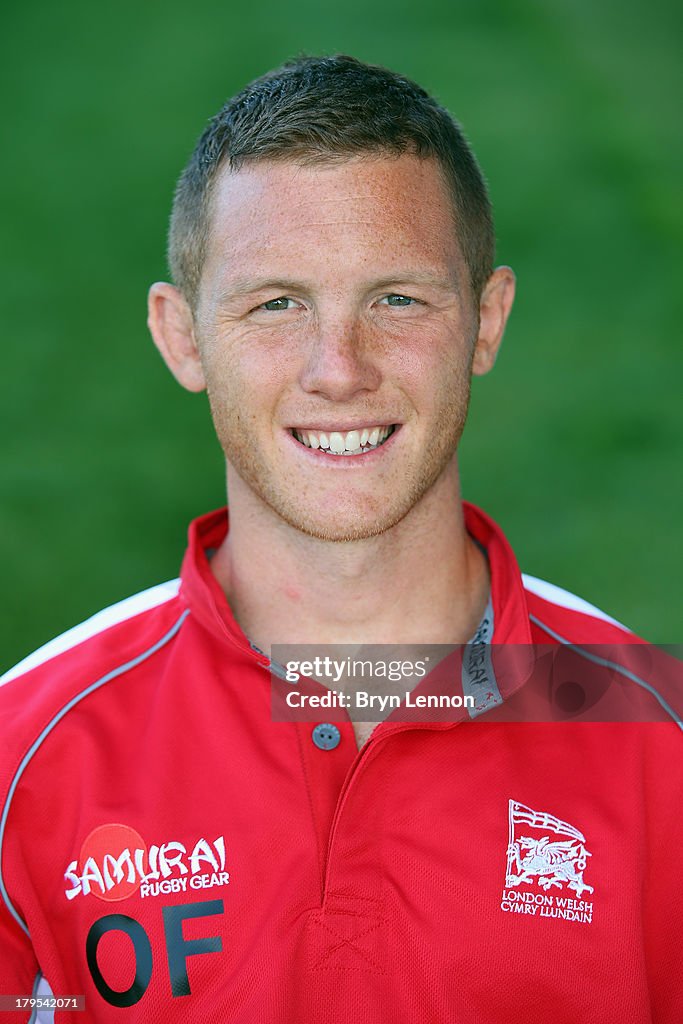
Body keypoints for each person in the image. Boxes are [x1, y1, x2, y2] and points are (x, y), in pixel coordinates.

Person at [0, 55, 680, 1024]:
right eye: (275, 302)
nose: (339, 369)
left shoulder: (657, 745)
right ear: (181, 335)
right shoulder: (21, 756)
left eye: (396, 299)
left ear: (484, 322)